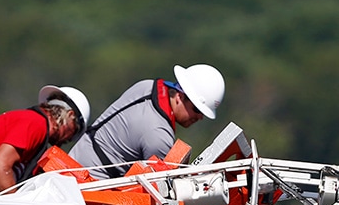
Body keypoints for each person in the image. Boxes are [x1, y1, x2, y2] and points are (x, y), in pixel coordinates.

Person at [68, 63, 225, 179]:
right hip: (89, 181)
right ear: (180, 96)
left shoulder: (146, 86)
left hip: (76, 155)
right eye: (197, 109)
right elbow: (162, 183)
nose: (199, 117)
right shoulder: (158, 135)